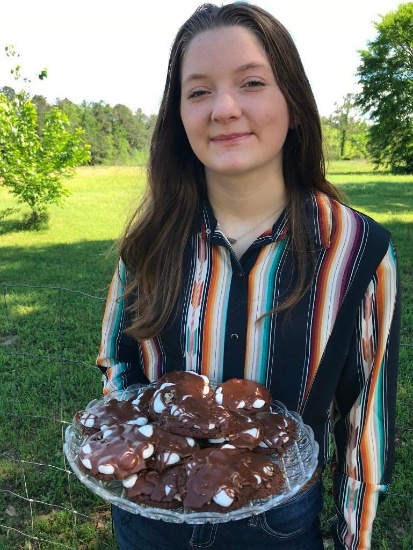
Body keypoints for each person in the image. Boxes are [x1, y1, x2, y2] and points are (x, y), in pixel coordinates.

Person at [96, 3, 401, 549]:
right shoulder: (148, 244)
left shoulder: (357, 251)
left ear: (294, 103)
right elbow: (120, 364)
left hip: (277, 527)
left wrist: (354, 539)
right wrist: (131, 454)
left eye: (252, 82)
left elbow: (365, 419)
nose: (224, 109)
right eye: (198, 91)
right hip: (152, 519)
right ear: (178, 117)